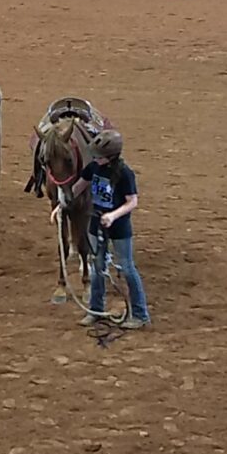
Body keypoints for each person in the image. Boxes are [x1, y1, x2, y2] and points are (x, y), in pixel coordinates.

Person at [69, 130, 151, 329]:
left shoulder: (125, 174)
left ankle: (140, 314)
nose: (96, 159)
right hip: (96, 224)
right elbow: (76, 188)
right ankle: (96, 310)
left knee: (127, 267)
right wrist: (62, 203)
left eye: (99, 156)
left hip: (118, 227)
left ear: (111, 156)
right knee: (97, 268)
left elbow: (132, 202)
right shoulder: (93, 168)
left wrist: (113, 215)